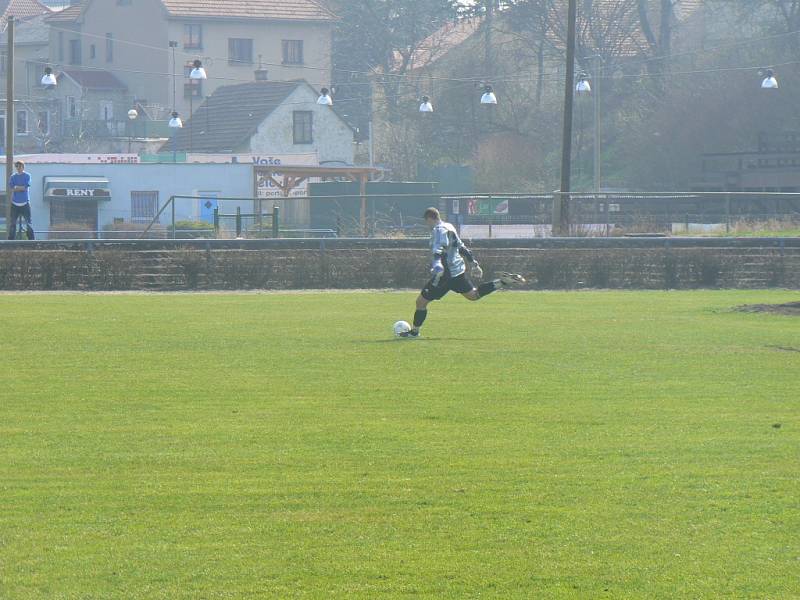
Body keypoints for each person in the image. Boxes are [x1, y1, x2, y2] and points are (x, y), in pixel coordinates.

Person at [400, 207, 525, 338]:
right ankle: (502, 282)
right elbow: (462, 247)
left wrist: (437, 264)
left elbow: (438, 249)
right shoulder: (449, 226)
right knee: (474, 295)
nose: (427, 226)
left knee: (421, 302)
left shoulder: (438, 230)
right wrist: (474, 264)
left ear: (430, 218)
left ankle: (414, 332)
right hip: (458, 271)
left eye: (427, 222)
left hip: (444, 275)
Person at [8, 160, 34, 240]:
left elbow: (25, 187)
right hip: (14, 204)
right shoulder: (13, 177)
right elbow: (12, 188)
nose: (18, 168)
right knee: (12, 224)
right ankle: (10, 243)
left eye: (20, 166)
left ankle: (32, 242)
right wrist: (19, 188)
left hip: (25, 203)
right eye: (17, 166)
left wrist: (17, 187)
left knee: (28, 224)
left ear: (23, 167)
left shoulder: (27, 176)